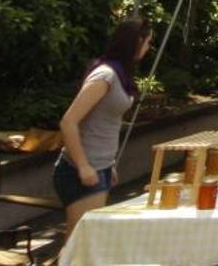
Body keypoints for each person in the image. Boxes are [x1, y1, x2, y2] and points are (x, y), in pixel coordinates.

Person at [55, 17, 151, 232]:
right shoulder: (105, 76)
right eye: (147, 42)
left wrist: (108, 164)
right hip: (81, 170)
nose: (148, 48)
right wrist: (83, 166)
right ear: (136, 42)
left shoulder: (120, 74)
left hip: (101, 166)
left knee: (82, 241)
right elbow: (68, 122)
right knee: (81, 241)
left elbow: (105, 123)